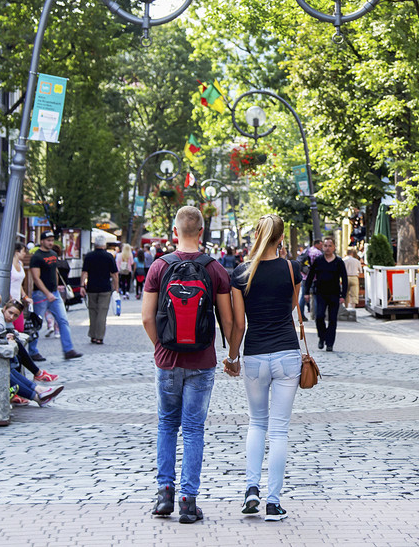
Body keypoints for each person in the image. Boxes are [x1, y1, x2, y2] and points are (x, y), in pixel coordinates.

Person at [141, 206, 234, 524]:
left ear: (175, 231)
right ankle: (188, 501)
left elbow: (145, 316)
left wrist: (160, 347)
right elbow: (230, 319)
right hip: (202, 360)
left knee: (167, 425)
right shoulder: (215, 269)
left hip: (167, 360)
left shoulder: (159, 266)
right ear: (202, 232)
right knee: (193, 429)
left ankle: (164, 492)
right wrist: (231, 354)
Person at [224, 214, 301, 521]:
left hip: (255, 354)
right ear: (280, 238)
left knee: (257, 424)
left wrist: (232, 357)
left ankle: (251, 489)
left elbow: (238, 324)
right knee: (279, 430)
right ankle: (273, 502)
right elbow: (293, 305)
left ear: (256, 234)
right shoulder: (292, 269)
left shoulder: (241, 272)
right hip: (287, 353)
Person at [30, 231, 80, 360]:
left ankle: (68, 350)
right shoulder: (37, 257)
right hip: (41, 294)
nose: (51, 243)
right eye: (48, 240)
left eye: (52, 240)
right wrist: (47, 293)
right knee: (37, 323)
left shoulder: (53, 254)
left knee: (63, 320)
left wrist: (56, 288)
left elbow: (55, 272)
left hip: (54, 292)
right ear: (42, 241)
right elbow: (36, 278)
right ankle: (32, 351)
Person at [303, 238, 348, 352]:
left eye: (330, 246)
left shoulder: (338, 262)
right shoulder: (318, 260)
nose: (327, 248)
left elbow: (345, 278)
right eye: (325, 246)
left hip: (334, 294)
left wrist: (343, 295)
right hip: (320, 293)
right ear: (322, 247)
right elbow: (310, 277)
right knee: (319, 317)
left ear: (334, 247)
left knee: (333, 319)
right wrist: (306, 292)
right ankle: (322, 337)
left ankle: (329, 343)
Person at [82, 234, 119, 345]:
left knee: (92, 311)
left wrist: (81, 286)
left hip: (91, 288)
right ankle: (99, 337)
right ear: (104, 244)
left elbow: (84, 273)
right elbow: (114, 274)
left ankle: (92, 335)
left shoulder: (89, 256)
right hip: (105, 288)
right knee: (102, 313)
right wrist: (116, 287)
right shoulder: (108, 256)